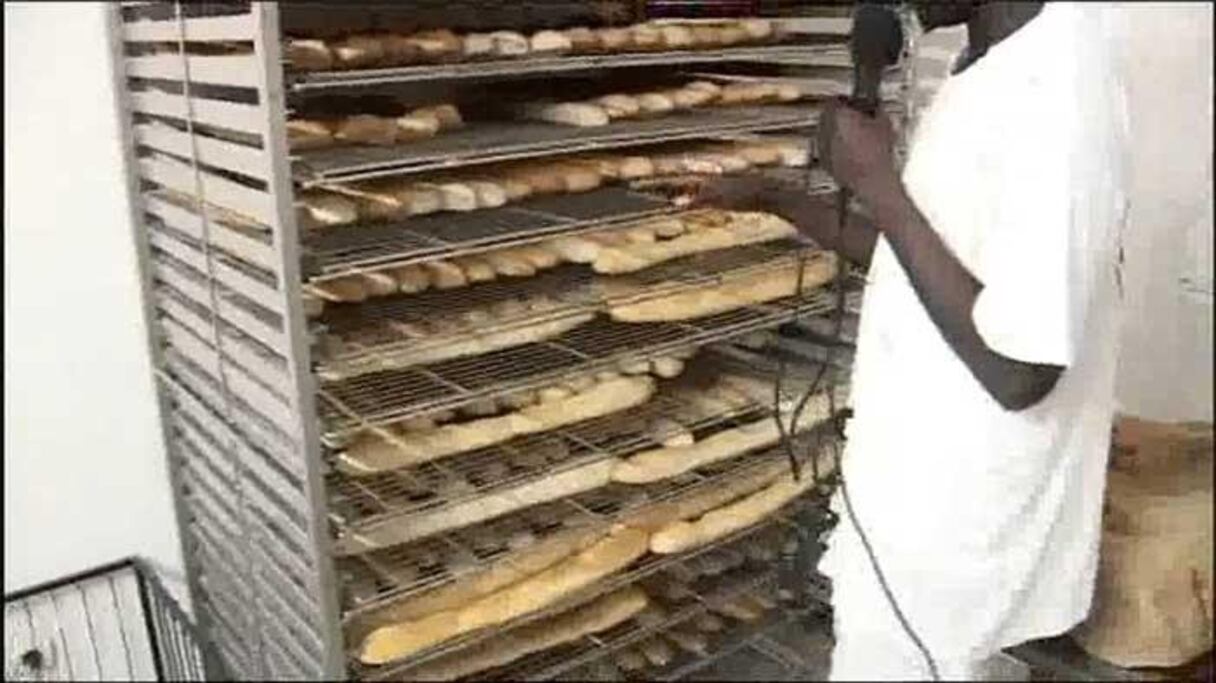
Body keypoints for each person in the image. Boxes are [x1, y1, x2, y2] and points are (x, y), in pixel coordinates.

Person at [695, 2, 1130, 679]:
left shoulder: (1059, 94)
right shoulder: (983, 57)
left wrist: (879, 185)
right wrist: (780, 200)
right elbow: (926, 265)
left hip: (953, 535)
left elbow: (1020, 368)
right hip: (913, 503)